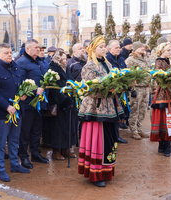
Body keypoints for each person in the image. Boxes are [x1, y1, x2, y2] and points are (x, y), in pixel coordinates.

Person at [78, 35, 124, 187]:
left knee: (110, 140)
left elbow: (114, 81)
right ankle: (95, 174)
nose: (104, 49)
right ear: (93, 49)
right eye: (101, 47)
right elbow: (89, 90)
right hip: (96, 110)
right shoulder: (89, 67)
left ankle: (106, 171)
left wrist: (118, 86)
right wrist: (106, 89)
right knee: (98, 141)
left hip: (111, 109)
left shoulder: (109, 65)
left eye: (105, 46)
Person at [0, 43, 30, 182]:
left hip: (17, 111)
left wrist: (24, 95)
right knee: (0, 143)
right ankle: (1, 170)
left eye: (10, 52)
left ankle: (15, 165)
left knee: (14, 140)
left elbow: (20, 84)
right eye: (6, 53)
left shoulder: (15, 66)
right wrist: (7, 106)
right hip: (3, 114)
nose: (9, 55)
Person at [16, 39, 49, 169]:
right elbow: (19, 83)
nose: (38, 49)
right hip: (27, 104)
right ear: (27, 49)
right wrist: (34, 90)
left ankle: (35, 153)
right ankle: (23, 156)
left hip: (39, 103)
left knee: (36, 130)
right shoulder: (21, 63)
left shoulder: (40, 62)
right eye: (35, 47)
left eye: (39, 48)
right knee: (25, 131)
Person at [150, 42, 171, 157]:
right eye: (168, 50)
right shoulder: (159, 61)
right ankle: (165, 146)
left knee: (169, 119)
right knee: (165, 119)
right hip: (164, 95)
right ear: (161, 51)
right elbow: (158, 77)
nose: (170, 52)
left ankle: (164, 145)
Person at [43, 49, 77, 160]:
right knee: (58, 128)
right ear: (57, 58)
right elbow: (54, 88)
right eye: (63, 58)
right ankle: (56, 150)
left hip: (68, 101)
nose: (65, 60)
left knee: (68, 127)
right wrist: (64, 101)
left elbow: (70, 81)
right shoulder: (52, 69)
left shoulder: (66, 68)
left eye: (66, 58)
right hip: (59, 103)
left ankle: (66, 148)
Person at [125, 42, 150, 140]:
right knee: (135, 110)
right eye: (140, 47)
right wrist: (132, 89)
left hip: (146, 87)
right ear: (135, 49)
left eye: (143, 47)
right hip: (137, 88)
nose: (143, 48)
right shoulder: (130, 60)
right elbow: (128, 75)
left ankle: (140, 129)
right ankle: (134, 130)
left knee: (143, 110)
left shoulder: (145, 59)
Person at [105, 40, 128, 143]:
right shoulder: (107, 60)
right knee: (113, 114)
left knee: (119, 114)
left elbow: (126, 72)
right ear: (109, 49)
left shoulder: (121, 59)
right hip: (111, 92)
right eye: (116, 48)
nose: (118, 49)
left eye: (119, 47)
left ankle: (117, 135)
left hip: (121, 91)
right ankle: (113, 136)